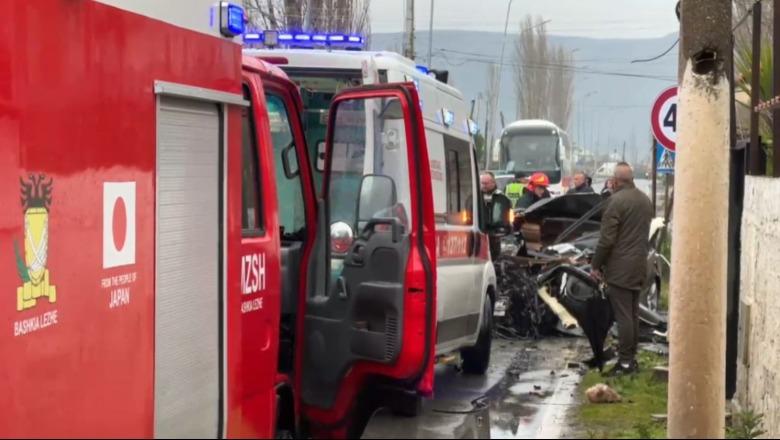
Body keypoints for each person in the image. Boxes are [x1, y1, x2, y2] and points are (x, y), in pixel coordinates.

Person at [590, 162, 654, 376]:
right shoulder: (645, 200)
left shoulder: (615, 202)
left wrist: (596, 265)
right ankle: (631, 358)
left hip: (620, 267)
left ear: (615, 181)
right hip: (639, 264)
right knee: (633, 313)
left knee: (624, 315)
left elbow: (607, 240)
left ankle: (625, 363)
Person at [480, 171, 510, 259]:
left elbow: (507, 217)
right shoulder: (475, 198)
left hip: (496, 234)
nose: (484, 185)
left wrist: (505, 230)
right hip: (480, 232)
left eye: (486, 183)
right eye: (482, 183)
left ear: (493, 182)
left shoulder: (502, 198)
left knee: (495, 258)